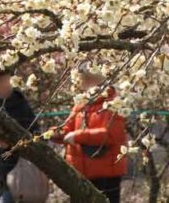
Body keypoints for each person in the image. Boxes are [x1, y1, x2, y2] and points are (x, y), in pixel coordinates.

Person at [54, 63, 128, 203]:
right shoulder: (81, 104)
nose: (85, 83)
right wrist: (55, 133)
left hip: (106, 172)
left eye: (89, 79)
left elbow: (110, 134)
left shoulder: (114, 104)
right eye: (84, 80)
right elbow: (67, 129)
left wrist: (78, 136)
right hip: (80, 172)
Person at [0, 69, 40, 203]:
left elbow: (37, 136)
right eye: (1, 82)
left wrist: (14, 145)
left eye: (8, 80)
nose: (5, 85)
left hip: (21, 174)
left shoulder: (22, 106)